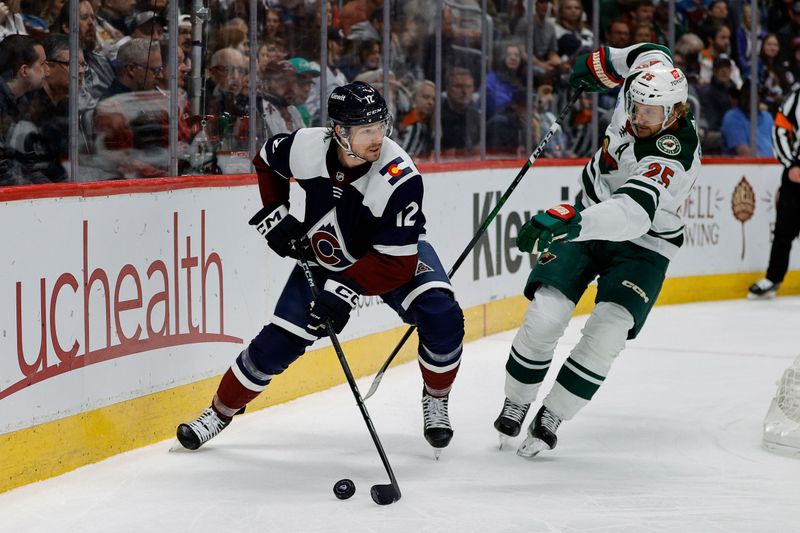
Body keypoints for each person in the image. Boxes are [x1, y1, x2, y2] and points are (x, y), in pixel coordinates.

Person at [176, 81, 465, 456]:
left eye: (381, 127)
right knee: (279, 343)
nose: (377, 138)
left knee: (442, 315)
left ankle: (436, 398)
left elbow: (397, 265)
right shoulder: (307, 145)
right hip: (325, 256)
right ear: (339, 132)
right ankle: (218, 413)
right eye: (366, 131)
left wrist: (345, 290)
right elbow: (266, 161)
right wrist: (276, 214)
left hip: (390, 256)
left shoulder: (398, 177)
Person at [493, 42, 700, 458]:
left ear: (674, 113)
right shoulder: (646, 83)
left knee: (608, 331)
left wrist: (575, 222)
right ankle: (516, 399)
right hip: (589, 210)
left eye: (650, 114)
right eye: (636, 107)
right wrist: (601, 66)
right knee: (544, 316)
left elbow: (631, 214)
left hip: (644, 243)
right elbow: (650, 50)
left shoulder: (673, 154)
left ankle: (553, 413)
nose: (640, 118)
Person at [748, 87, 800, 299]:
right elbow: (779, 129)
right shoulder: (796, 99)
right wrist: (791, 164)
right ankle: (773, 277)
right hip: (796, 176)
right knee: (784, 230)